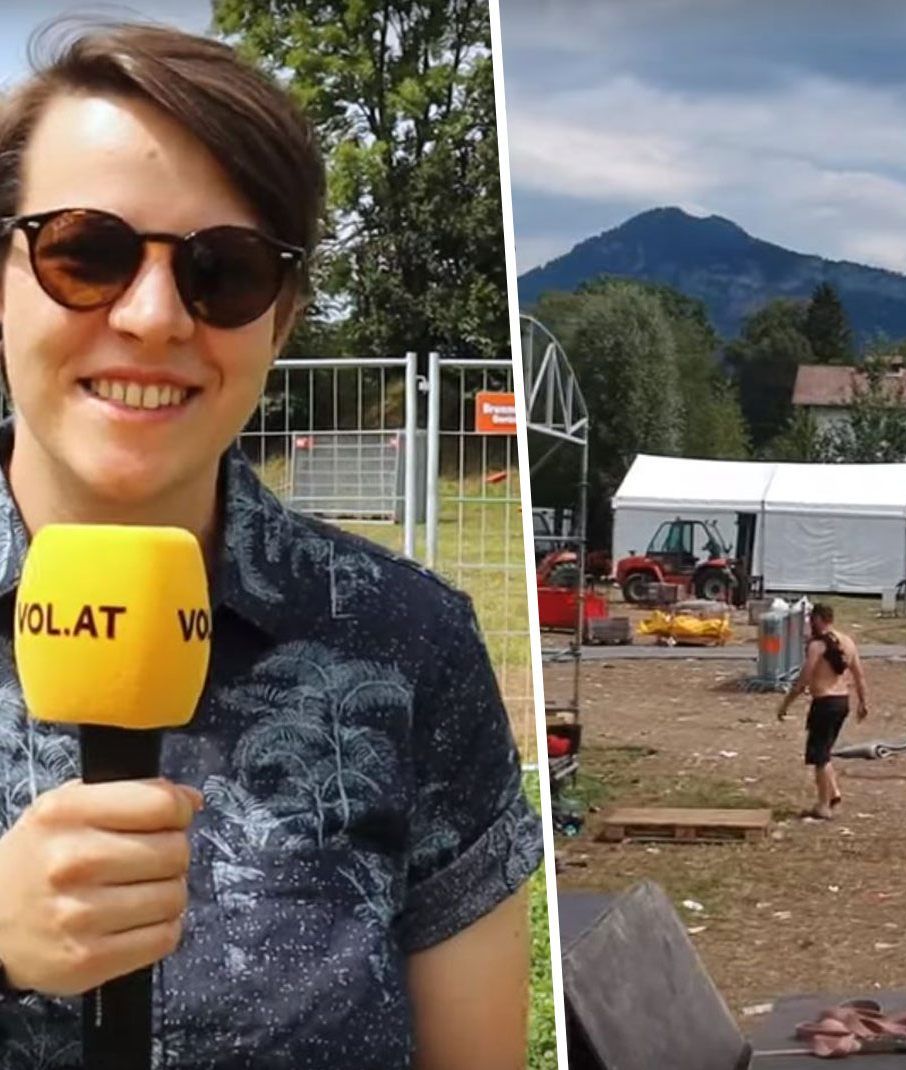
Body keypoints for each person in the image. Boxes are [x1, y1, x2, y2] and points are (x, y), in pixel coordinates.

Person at [0, 20, 542, 1069]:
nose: (154, 316)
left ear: (283, 315)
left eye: (227, 270)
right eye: (86, 252)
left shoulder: (405, 641)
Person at [777, 603, 869, 819]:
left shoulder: (817, 646)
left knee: (819, 755)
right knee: (824, 749)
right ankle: (834, 792)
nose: (809, 624)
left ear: (818, 619)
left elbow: (804, 679)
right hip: (842, 701)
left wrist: (786, 704)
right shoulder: (848, 642)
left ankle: (823, 805)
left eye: (811, 620)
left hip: (825, 702)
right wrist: (863, 702)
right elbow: (859, 676)